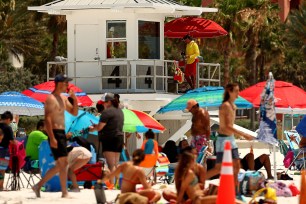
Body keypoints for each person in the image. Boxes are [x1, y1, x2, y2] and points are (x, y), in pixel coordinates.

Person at [32, 74, 78, 198]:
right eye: (66, 83)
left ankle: (39, 186)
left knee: (62, 164)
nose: (68, 85)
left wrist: (75, 99)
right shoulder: (51, 98)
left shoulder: (63, 98)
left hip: (62, 134)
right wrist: (51, 137)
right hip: (55, 133)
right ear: (59, 83)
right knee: (63, 164)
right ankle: (64, 192)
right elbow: (47, 119)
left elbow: (74, 112)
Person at [206, 83, 254, 197]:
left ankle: (236, 193)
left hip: (230, 139)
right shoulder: (225, 106)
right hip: (223, 140)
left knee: (237, 167)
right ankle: (199, 181)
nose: (238, 94)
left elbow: (230, 126)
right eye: (236, 91)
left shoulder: (233, 106)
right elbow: (227, 126)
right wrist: (244, 134)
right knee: (218, 169)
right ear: (229, 91)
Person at [89, 92, 124, 184]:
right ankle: (117, 184)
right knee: (116, 163)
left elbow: (100, 128)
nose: (103, 104)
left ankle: (112, 184)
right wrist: (98, 125)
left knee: (111, 164)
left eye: (104, 102)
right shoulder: (120, 111)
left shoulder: (106, 112)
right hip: (119, 138)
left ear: (108, 102)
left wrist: (92, 129)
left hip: (109, 138)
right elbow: (111, 124)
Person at [0, 111, 15, 190]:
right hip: (3, 150)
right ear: (8, 119)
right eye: (10, 121)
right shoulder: (7, 128)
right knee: (2, 169)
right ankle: (1, 186)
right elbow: (12, 141)